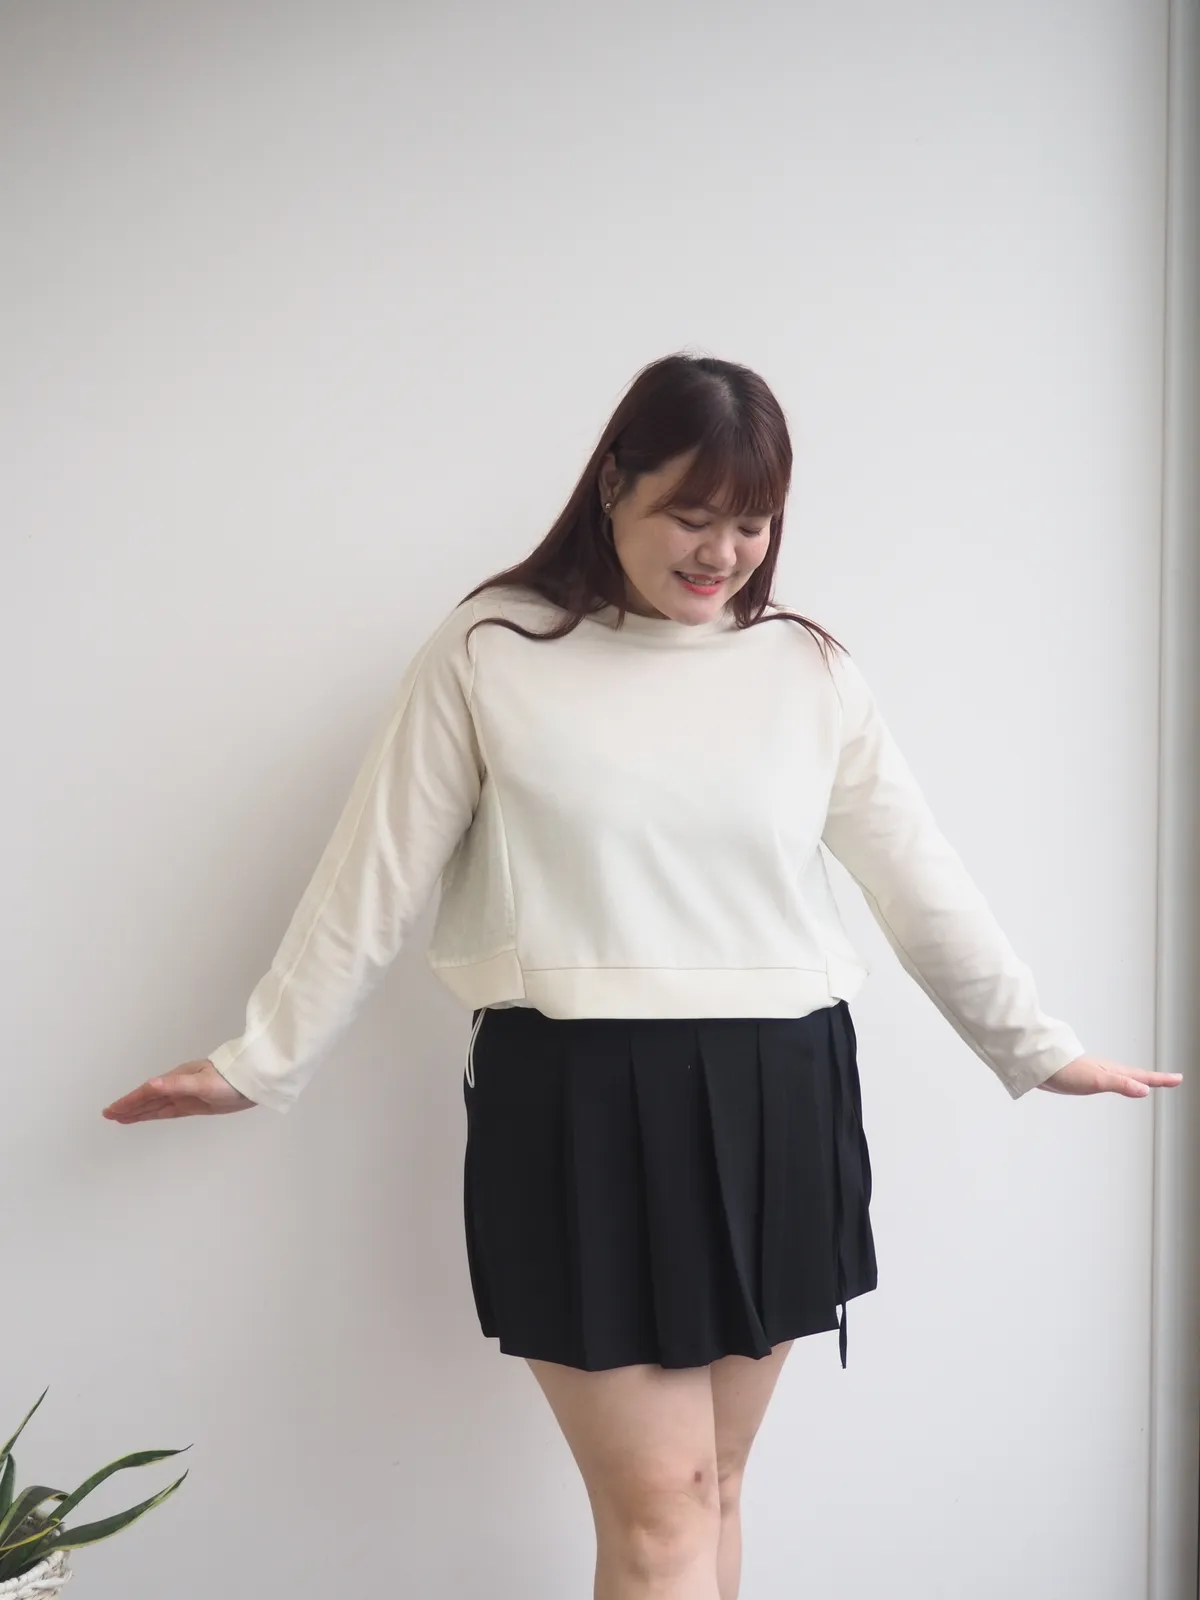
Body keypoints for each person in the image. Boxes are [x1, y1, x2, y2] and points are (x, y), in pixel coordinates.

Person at [102, 353, 1181, 1600]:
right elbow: (374, 871)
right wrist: (261, 1059)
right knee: (663, 1511)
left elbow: (917, 875)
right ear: (613, 482)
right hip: (580, 1098)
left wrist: (1037, 1045)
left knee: (714, 1485)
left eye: (751, 522)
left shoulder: (807, 670)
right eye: (691, 513)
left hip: (780, 1091)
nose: (722, 552)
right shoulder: (492, 648)